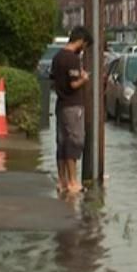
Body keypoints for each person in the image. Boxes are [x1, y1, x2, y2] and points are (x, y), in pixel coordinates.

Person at [51, 26, 93, 194]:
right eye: (85, 45)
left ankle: (62, 181)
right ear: (81, 41)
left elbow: (54, 80)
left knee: (61, 143)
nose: (84, 49)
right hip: (73, 106)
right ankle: (73, 182)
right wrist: (84, 78)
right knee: (74, 142)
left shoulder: (57, 57)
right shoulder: (72, 59)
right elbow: (73, 84)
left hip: (61, 104)